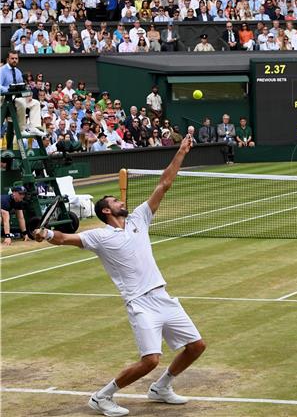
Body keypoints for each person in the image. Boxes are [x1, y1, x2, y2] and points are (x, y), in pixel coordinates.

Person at [32, 136, 206, 417]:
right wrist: (47, 234)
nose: (121, 201)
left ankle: (161, 388)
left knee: (197, 346)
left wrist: (182, 152)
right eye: (115, 200)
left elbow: (164, 183)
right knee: (150, 360)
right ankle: (103, 396)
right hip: (140, 303)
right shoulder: (99, 236)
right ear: (106, 211)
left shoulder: (139, 219)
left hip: (162, 295)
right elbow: (65, 238)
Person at [1, 51, 45, 136]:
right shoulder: (2, 71)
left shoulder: (18, 72)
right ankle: (21, 129)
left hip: (17, 97)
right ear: (8, 59)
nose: (14, 60)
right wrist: (8, 89)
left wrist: (27, 94)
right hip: (4, 99)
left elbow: (22, 86)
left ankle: (34, 127)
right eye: (12, 58)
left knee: (35, 103)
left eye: (16, 58)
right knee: (21, 103)